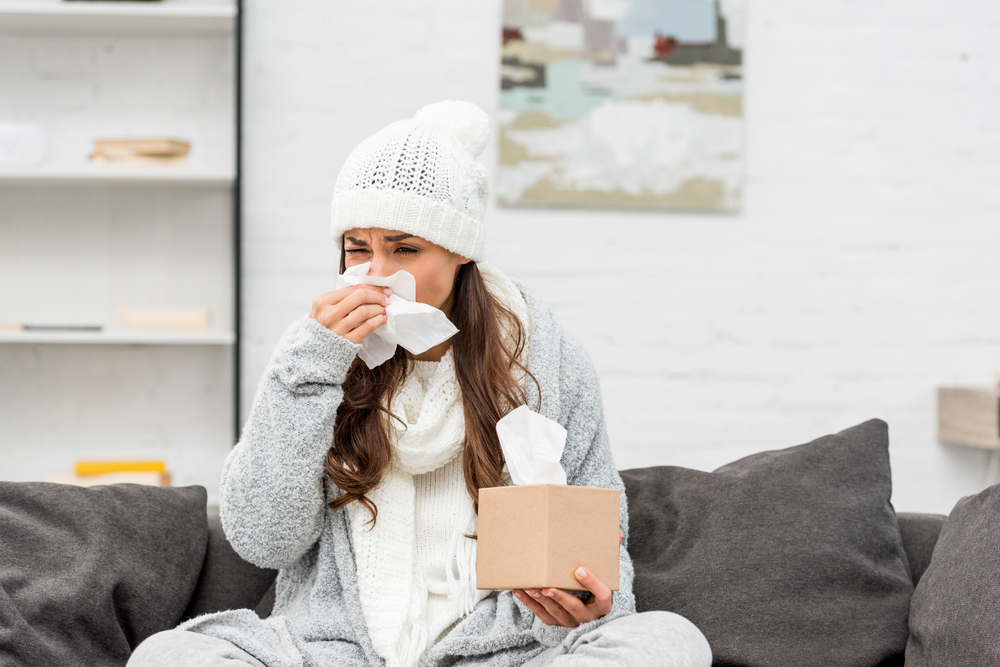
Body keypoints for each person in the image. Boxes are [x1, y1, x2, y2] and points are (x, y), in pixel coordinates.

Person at [128, 100, 711, 667]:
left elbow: (604, 555)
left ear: (460, 252)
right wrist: (309, 369)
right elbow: (264, 541)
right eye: (358, 248)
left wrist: (589, 601)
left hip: (499, 653)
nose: (378, 275)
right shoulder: (315, 355)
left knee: (667, 641)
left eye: (405, 249)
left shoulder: (549, 362)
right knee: (167, 654)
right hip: (334, 653)